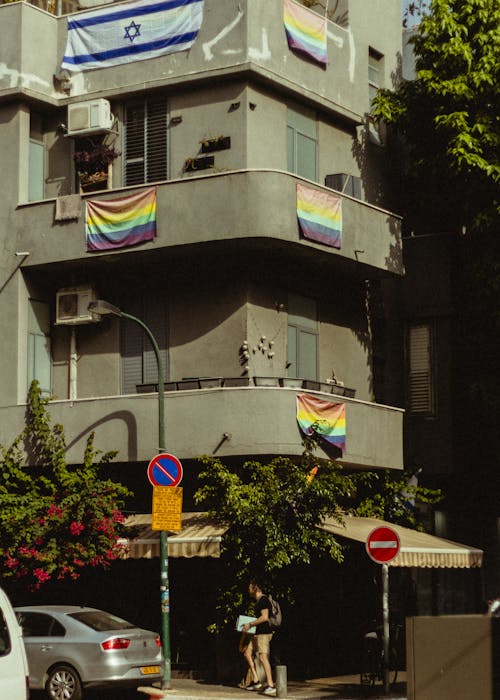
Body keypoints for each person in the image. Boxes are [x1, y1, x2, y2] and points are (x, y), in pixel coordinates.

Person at [241, 580, 276, 696]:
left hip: (264, 633)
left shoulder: (263, 600)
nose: (248, 589)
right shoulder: (258, 601)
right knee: (247, 652)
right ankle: (256, 681)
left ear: (255, 588)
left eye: (250, 587)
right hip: (257, 632)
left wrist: (250, 624)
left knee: (263, 657)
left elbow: (265, 617)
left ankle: (271, 685)